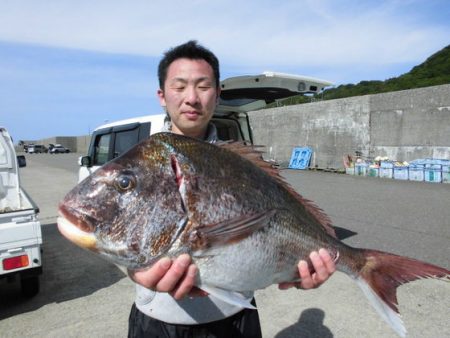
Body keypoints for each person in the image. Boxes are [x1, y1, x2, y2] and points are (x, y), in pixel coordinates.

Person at [128, 40, 336, 338]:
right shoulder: (143, 163)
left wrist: (300, 268)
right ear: (162, 95)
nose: (191, 98)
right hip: (158, 321)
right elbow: (117, 235)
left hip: (236, 319)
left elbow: (272, 229)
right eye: (179, 86)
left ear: (217, 93)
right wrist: (134, 270)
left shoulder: (243, 166)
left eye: (202, 86)